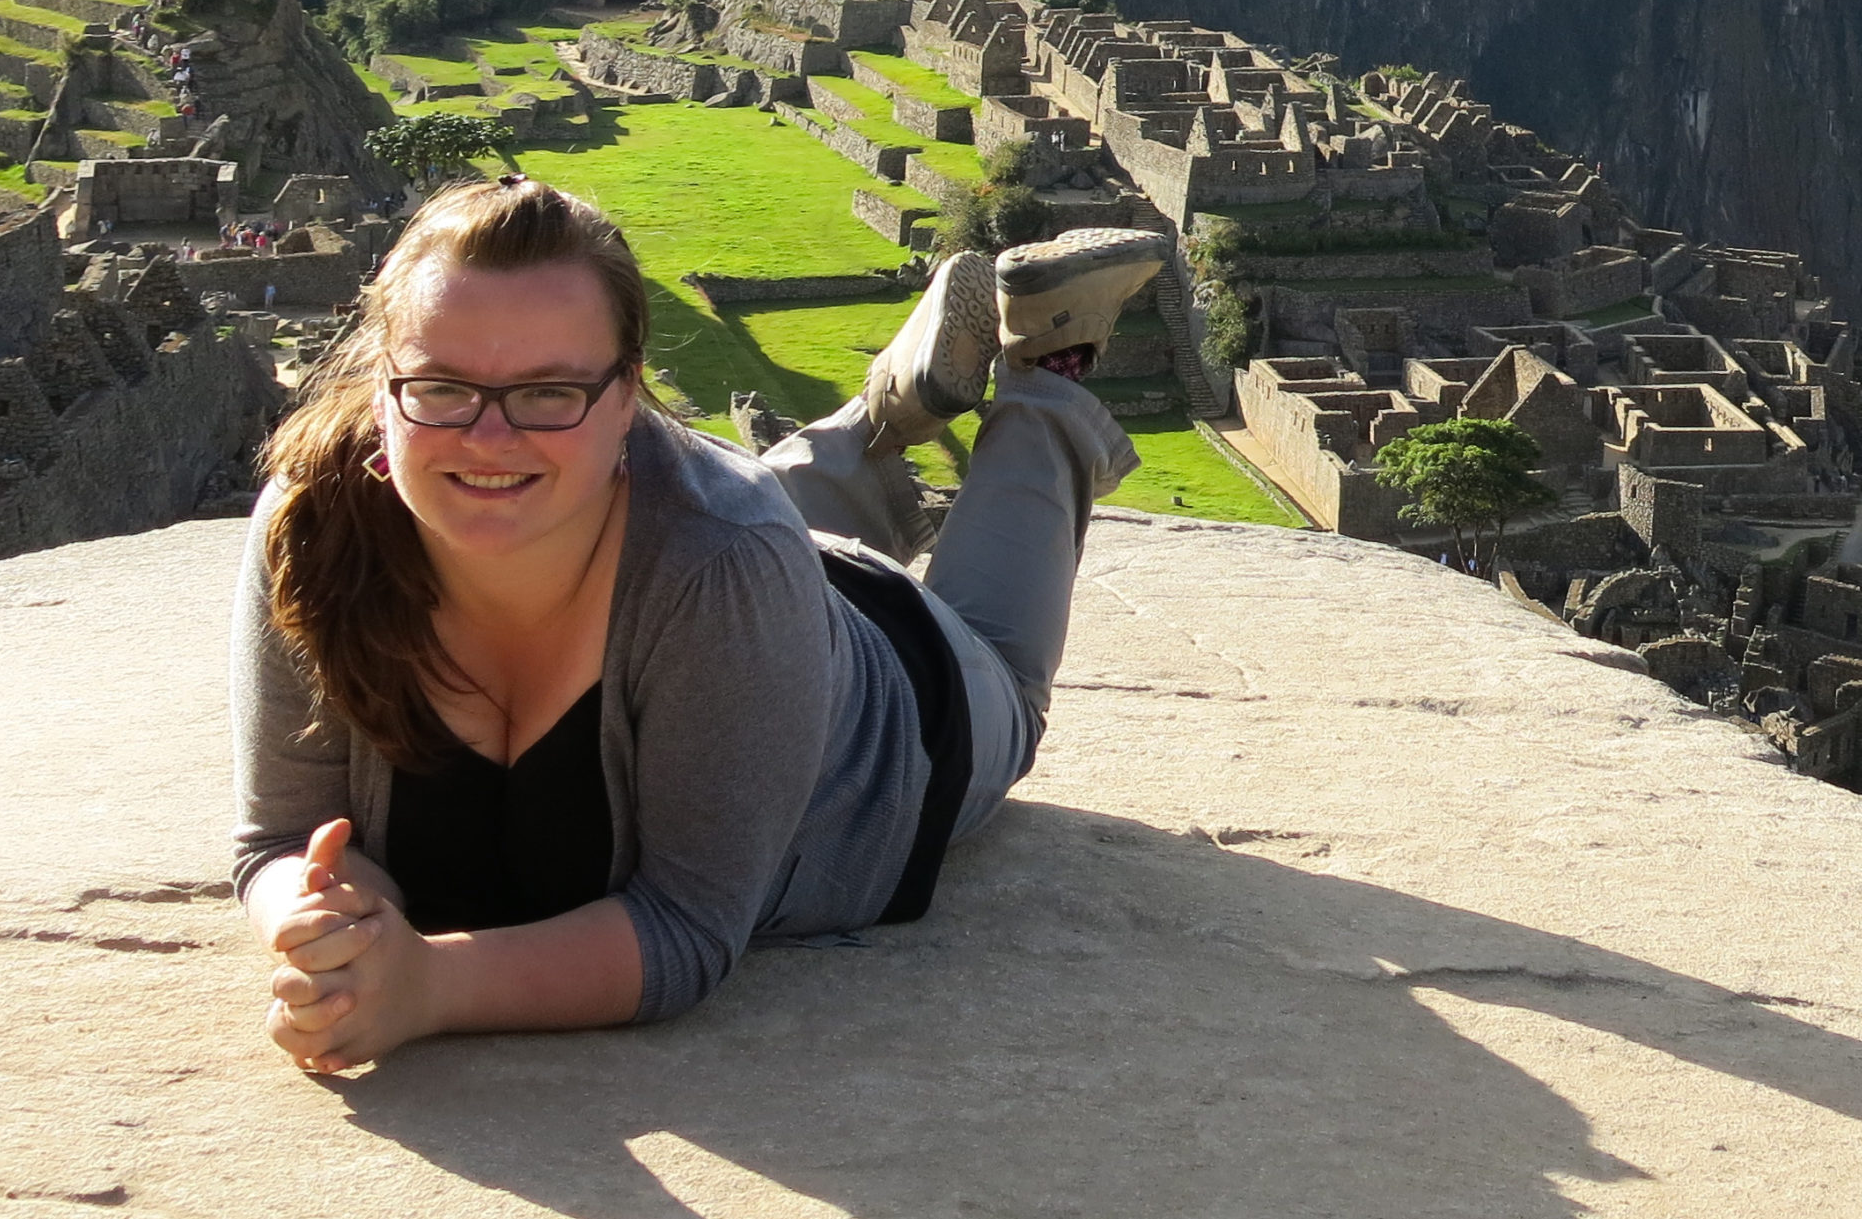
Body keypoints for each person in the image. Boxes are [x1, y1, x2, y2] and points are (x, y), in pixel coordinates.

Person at [232, 174, 1164, 1070]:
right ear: (383, 380)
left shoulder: (724, 563)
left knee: (998, 659)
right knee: (699, 519)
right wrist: (325, 926)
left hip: (896, 685)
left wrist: (428, 986)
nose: (488, 436)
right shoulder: (315, 525)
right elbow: (282, 838)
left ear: (628, 396)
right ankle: (889, 406)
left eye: (550, 392)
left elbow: (686, 923)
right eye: (440, 387)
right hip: (719, 563)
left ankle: (1045, 369)